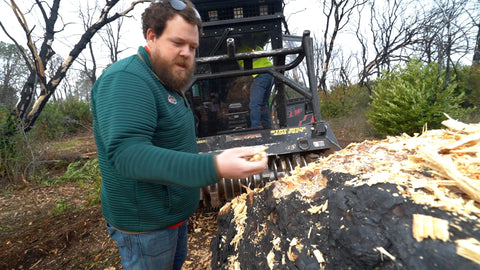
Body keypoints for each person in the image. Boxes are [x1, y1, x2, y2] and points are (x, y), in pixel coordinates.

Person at [90, 1, 268, 269]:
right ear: (151, 36)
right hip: (146, 228)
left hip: (172, 218)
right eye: (178, 43)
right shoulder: (127, 79)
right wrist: (216, 166)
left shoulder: (166, 78)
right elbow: (128, 155)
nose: (187, 53)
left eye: (193, 47)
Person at [238, 45, 275, 129]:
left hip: (261, 75)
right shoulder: (257, 46)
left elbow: (245, 73)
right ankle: (267, 126)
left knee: (254, 104)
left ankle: (256, 127)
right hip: (271, 73)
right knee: (263, 103)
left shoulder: (240, 50)